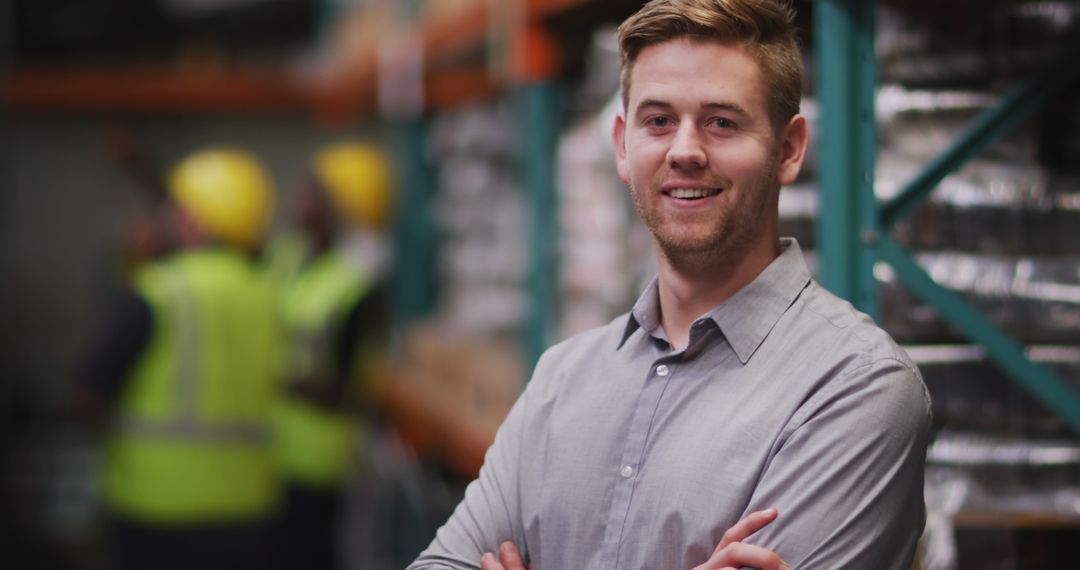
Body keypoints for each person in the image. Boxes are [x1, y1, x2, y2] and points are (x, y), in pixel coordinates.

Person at [407, 1, 932, 569]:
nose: (685, 150)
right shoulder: (561, 379)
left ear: (789, 149)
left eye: (722, 122)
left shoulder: (856, 389)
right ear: (622, 146)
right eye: (658, 121)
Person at [75, 148, 283, 570]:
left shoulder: (159, 290)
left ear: (194, 220)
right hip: (250, 510)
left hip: (156, 510)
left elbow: (86, 393)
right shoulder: (269, 293)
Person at [269, 142, 393, 570]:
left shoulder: (357, 286)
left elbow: (351, 389)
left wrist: (277, 380)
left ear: (339, 206)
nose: (299, 199)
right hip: (275, 453)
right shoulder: (291, 259)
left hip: (320, 462)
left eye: (314, 192)